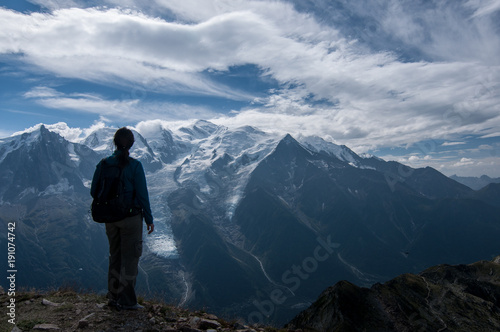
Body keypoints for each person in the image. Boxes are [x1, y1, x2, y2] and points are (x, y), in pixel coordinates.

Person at [90, 127, 154, 310]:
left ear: (115, 143)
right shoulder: (135, 166)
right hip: (131, 219)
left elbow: (94, 191)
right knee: (130, 259)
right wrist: (149, 218)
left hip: (110, 218)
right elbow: (142, 195)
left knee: (115, 257)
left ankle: (113, 297)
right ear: (131, 145)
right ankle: (127, 301)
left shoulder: (103, 164)